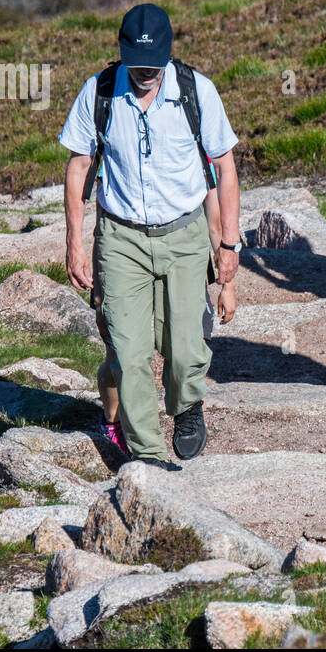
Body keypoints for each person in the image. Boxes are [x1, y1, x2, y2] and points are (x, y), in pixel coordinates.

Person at [60, 3, 242, 470]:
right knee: (128, 351)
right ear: (121, 52)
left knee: (185, 344)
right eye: (136, 64)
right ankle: (148, 456)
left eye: (153, 65)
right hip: (120, 240)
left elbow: (224, 166)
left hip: (184, 235)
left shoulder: (196, 90)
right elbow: (79, 165)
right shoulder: (99, 92)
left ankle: (186, 406)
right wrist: (74, 242)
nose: (145, 73)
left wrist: (228, 245)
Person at [92, 157, 238, 455]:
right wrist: (97, 275)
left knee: (182, 341)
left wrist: (228, 285)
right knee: (121, 353)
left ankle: (186, 409)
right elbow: (101, 216)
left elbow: (213, 219)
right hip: (123, 249)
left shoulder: (190, 149)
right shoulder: (117, 143)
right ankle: (114, 423)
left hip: (180, 246)